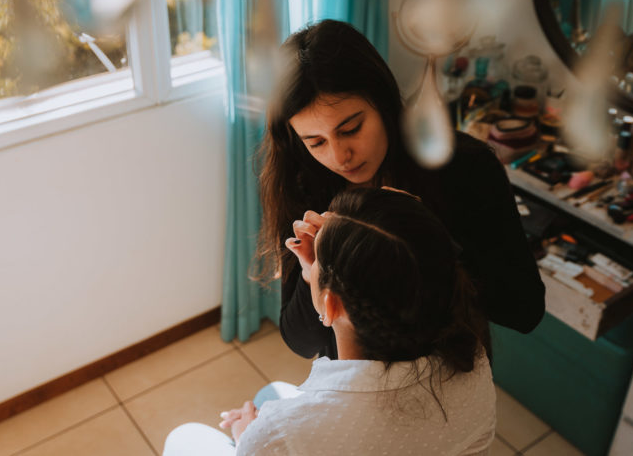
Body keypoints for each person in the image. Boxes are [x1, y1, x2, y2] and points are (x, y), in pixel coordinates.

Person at [258, 19, 545, 359]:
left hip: (450, 374)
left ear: (383, 101)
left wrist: (424, 239)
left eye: (351, 128)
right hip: (358, 389)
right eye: (316, 142)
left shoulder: (465, 168)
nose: (339, 157)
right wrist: (313, 275)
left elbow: (525, 311)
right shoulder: (304, 182)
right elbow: (301, 342)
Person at [163, 188, 496, 455]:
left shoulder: (278, 435)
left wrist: (247, 437)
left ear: (330, 304)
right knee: (272, 393)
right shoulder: (474, 360)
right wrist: (321, 274)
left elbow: (282, 437)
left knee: (184, 437)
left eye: (317, 260)